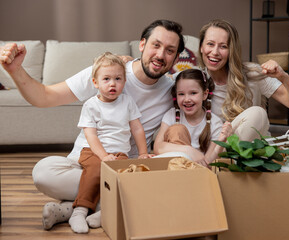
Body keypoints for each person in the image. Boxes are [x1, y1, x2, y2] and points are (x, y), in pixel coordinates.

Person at [0, 19, 185, 230]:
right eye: (156, 45)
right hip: (82, 164)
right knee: (43, 172)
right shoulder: (110, 71)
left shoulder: (173, 90)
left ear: (177, 58)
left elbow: (205, 92)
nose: (161, 55)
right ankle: (106, 205)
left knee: (156, 180)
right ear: (142, 45)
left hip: (125, 168)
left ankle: (72, 208)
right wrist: (15, 70)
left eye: (170, 50)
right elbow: (44, 97)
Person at [69, 52, 153, 233]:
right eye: (106, 79)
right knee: (95, 171)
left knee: (126, 178)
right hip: (93, 151)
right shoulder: (91, 105)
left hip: (119, 153)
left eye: (118, 79)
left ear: (124, 81)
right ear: (95, 82)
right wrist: (103, 156)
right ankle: (80, 210)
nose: (112, 84)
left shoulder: (127, 101)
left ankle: (104, 212)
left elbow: (137, 128)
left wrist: (142, 153)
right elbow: (91, 136)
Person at [198, 19, 289, 141]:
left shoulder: (253, 73)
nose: (215, 52)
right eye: (210, 44)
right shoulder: (192, 80)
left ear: (231, 50)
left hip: (249, 150)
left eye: (223, 46)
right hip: (215, 148)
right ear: (201, 47)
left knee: (257, 113)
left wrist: (283, 77)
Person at [154, 69, 232, 166]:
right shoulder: (171, 116)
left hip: (198, 170)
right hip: (174, 167)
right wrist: (189, 151)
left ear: (204, 94)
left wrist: (221, 142)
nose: (187, 99)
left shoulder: (215, 123)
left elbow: (207, 163)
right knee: (177, 130)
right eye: (181, 94)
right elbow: (158, 147)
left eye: (193, 93)